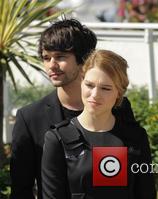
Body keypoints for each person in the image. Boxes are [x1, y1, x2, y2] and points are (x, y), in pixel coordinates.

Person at [10, 19, 136, 199]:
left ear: (83, 60)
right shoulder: (30, 118)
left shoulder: (118, 107)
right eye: (46, 58)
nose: (51, 65)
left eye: (60, 57)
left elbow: (133, 172)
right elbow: (21, 189)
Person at [42, 49, 156, 199]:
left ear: (118, 93)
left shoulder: (135, 137)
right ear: (81, 83)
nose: (95, 95)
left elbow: (146, 193)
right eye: (89, 85)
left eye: (105, 88)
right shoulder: (57, 139)